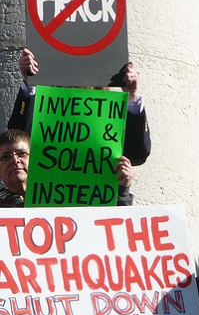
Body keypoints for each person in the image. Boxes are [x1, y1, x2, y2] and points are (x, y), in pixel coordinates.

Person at [8, 48, 151, 166]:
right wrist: (30, 83)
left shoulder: (109, 113)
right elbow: (16, 138)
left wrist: (132, 97)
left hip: (95, 190)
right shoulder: (47, 108)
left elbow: (137, 155)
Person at [0, 129, 134, 207]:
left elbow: (112, 227)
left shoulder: (67, 195)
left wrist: (122, 190)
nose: (15, 160)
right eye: (6, 157)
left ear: (36, 159)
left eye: (22, 154)